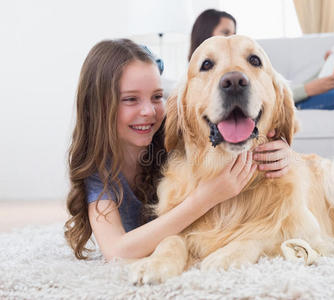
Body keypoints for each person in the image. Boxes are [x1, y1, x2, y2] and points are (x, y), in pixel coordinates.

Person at [64, 39, 291, 260]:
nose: (148, 112)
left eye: (156, 97)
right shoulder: (98, 172)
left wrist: (284, 152)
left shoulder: (170, 133)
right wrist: (207, 197)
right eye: (131, 99)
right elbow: (116, 250)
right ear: (99, 108)